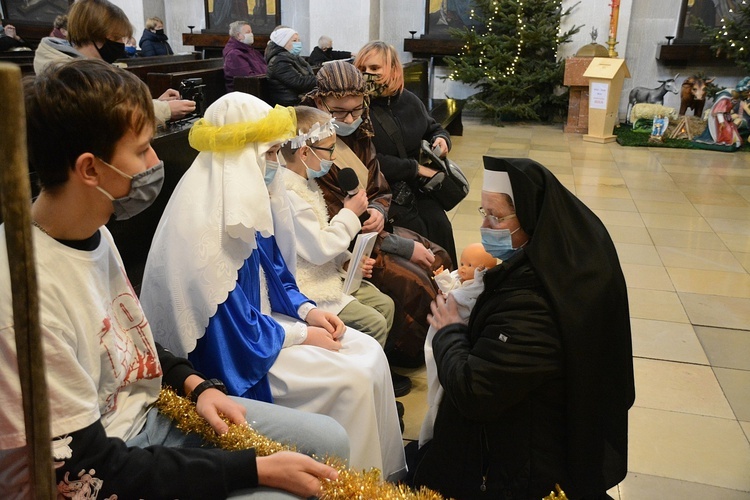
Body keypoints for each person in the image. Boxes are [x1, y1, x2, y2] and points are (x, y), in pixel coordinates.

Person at [0, 58, 348, 499]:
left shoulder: (95, 233)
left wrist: (195, 384)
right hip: (110, 463)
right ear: (90, 169)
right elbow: (84, 471)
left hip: (152, 414)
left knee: (331, 442)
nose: (156, 159)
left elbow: (130, 339)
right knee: (288, 489)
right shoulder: (25, 299)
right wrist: (250, 470)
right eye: (143, 148)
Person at [140, 92, 407, 480]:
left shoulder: (242, 201)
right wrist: (302, 335)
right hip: (243, 353)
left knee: (367, 352)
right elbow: (229, 332)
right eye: (269, 154)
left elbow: (277, 273)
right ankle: (343, 483)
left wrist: (307, 310)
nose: (275, 164)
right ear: (240, 155)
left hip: (265, 326)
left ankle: (376, 479)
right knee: (350, 379)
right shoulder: (201, 226)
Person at [411, 157, 635, 499]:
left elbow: (475, 392)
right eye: (483, 212)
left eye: (497, 217)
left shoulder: (533, 306)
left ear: (532, 217)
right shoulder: (553, 259)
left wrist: (449, 331)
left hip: (520, 470)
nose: (486, 225)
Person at [301, 60, 450, 370]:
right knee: (414, 283)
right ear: (319, 101)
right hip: (344, 246)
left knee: (438, 257)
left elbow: (379, 186)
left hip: (372, 233)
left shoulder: (361, 132)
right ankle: (398, 358)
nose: (351, 118)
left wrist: (380, 210)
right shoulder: (310, 145)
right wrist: (402, 245)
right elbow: (328, 217)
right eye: (339, 112)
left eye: (357, 109)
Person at [279, 106, 395, 349]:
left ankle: (376, 367)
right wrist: (350, 213)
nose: (333, 157)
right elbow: (319, 248)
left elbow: (317, 236)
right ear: (304, 151)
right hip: (309, 285)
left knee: (386, 305)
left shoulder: (306, 183)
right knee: (373, 322)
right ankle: (357, 373)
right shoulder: (289, 194)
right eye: (330, 149)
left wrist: (347, 260)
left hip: (326, 272)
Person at [354, 41, 458, 266]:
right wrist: (415, 168)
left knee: (440, 227)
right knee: (417, 239)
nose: (366, 75)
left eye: (374, 69)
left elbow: (432, 128)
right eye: (362, 69)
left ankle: (450, 288)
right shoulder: (357, 108)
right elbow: (367, 159)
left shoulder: (409, 100)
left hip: (417, 189)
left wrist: (441, 139)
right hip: (386, 191)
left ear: (393, 70)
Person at [34, 0, 194, 123]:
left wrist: (155, 103)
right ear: (93, 35)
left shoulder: (87, 65)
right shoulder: (65, 73)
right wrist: (163, 110)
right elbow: (105, 116)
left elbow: (110, 104)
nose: (121, 44)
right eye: (116, 38)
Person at [419, 243, 497, 446]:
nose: (462, 269)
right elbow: (451, 287)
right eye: (462, 262)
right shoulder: (462, 281)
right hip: (444, 331)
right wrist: (444, 279)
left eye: (469, 265)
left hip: (456, 335)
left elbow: (462, 300)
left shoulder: (478, 290)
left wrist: (453, 298)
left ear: (483, 271)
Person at [264, 26, 316, 106]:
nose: (298, 43)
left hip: (301, 99)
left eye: (299, 40)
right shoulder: (279, 61)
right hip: (291, 103)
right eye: (294, 41)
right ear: (283, 43)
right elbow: (299, 82)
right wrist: (321, 78)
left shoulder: (293, 57)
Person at [223, 20, 267, 92]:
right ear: (238, 35)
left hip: (260, 87)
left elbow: (265, 68)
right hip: (245, 93)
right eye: (248, 32)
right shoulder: (234, 55)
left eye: (251, 32)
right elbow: (247, 79)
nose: (251, 34)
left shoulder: (253, 51)